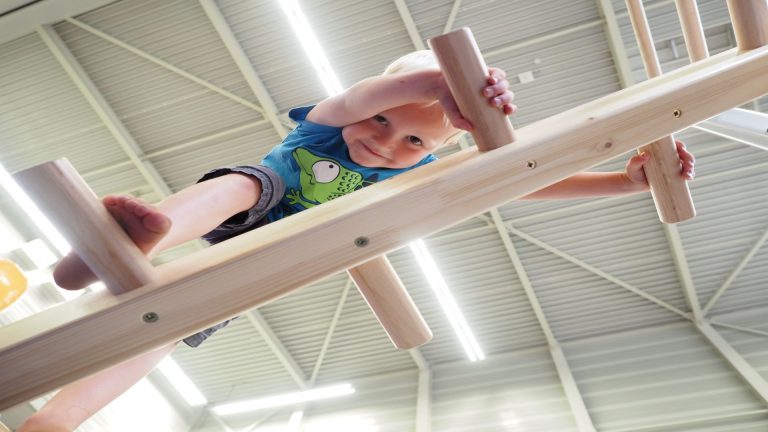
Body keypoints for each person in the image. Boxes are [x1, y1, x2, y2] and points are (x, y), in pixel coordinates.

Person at [17, 50, 694, 432]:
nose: (382, 139)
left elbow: (518, 182)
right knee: (237, 188)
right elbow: (361, 96)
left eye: (414, 141)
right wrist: (432, 83)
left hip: (275, 258)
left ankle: (60, 418)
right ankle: (137, 240)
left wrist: (619, 182)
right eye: (382, 120)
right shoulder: (325, 127)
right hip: (266, 197)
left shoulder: (420, 173)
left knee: (168, 328)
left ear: (434, 148)